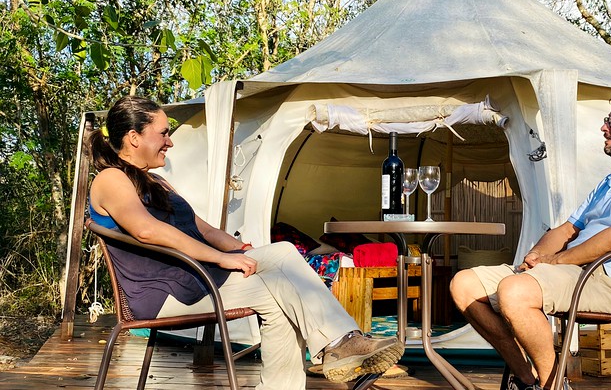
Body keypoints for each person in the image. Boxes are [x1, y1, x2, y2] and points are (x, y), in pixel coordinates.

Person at [88, 95, 404, 389]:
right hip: (164, 295)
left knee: (282, 257)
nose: (169, 141)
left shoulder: (156, 182)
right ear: (134, 138)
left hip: (195, 278)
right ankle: (340, 345)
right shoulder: (111, 179)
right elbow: (147, 231)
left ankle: (340, 345)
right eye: (163, 133)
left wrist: (242, 250)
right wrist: (221, 258)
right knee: (279, 288)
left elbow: (206, 229)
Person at [450, 88, 611, 390]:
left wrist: (556, 260)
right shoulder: (608, 183)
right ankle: (528, 380)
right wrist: (535, 258)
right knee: (464, 285)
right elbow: (566, 231)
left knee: (514, 292)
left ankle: (554, 385)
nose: (604, 126)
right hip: (573, 272)